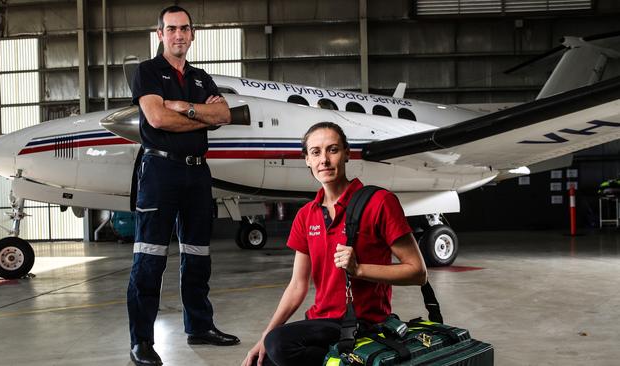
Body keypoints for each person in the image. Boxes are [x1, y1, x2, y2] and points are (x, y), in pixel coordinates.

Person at [242, 122, 427, 366]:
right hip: (321, 322)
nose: (324, 160)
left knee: (280, 345)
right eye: (316, 152)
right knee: (265, 357)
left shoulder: (379, 202)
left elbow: (418, 272)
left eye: (333, 150)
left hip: (364, 322)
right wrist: (264, 336)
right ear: (306, 159)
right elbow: (297, 285)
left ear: (347, 153)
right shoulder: (306, 214)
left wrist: (359, 269)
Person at [127, 5, 239, 366]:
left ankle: (200, 326)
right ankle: (142, 341)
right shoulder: (147, 71)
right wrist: (200, 116)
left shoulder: (201, 77)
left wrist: (185, 109)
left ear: (192, 34)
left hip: (196, 174)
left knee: (197, 256)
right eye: (171, 28)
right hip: (159, 171)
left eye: (184, 29)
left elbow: (223, 115)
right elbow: (157, 118)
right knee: (149, 258)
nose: (178, 35)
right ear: (160, 34)